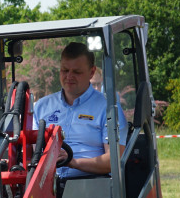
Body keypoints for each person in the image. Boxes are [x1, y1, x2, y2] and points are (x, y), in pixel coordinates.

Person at [32, 42, 127, 179]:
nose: (69, 77)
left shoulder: (108, 109)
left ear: (92, 72)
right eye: (65, 70)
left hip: (93, 186)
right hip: (46, 185)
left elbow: (114, 161)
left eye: (76, 72)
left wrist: (72, 162)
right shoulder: (41, 107)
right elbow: (30, 153)